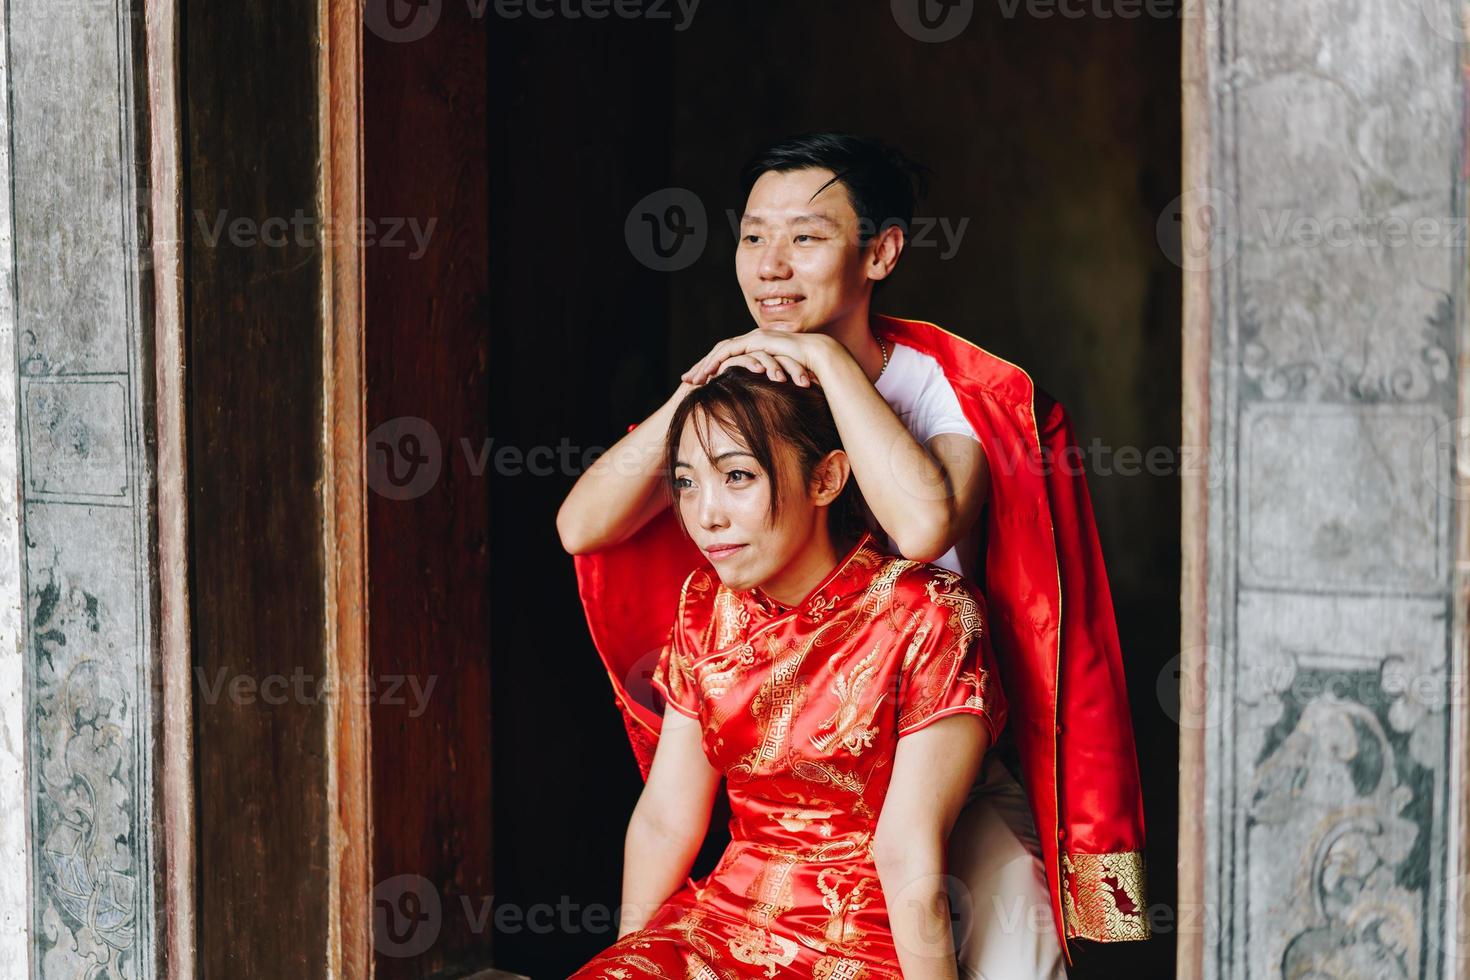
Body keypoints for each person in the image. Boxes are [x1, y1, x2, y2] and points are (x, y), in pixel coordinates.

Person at [559, 134, 1149, 976]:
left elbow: (921, 532)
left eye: (804, 237)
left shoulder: (948, 391)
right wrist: (701, 389)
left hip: (937, 740)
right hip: (789, 760)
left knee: (1014, 934)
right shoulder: (745, 388)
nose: (770, 266)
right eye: (753, 236)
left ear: (881, 253)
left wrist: (830, 363)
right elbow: (582, 526)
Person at [570, 367, 1006, 980]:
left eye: (738, 476)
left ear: (825, 478)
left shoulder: (927, 614)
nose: (706, 514)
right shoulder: (706, 605)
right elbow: (667, 814)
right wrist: (630, 959)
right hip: (719, 921)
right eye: (686, 484)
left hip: (854, 942)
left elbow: (908, 851)